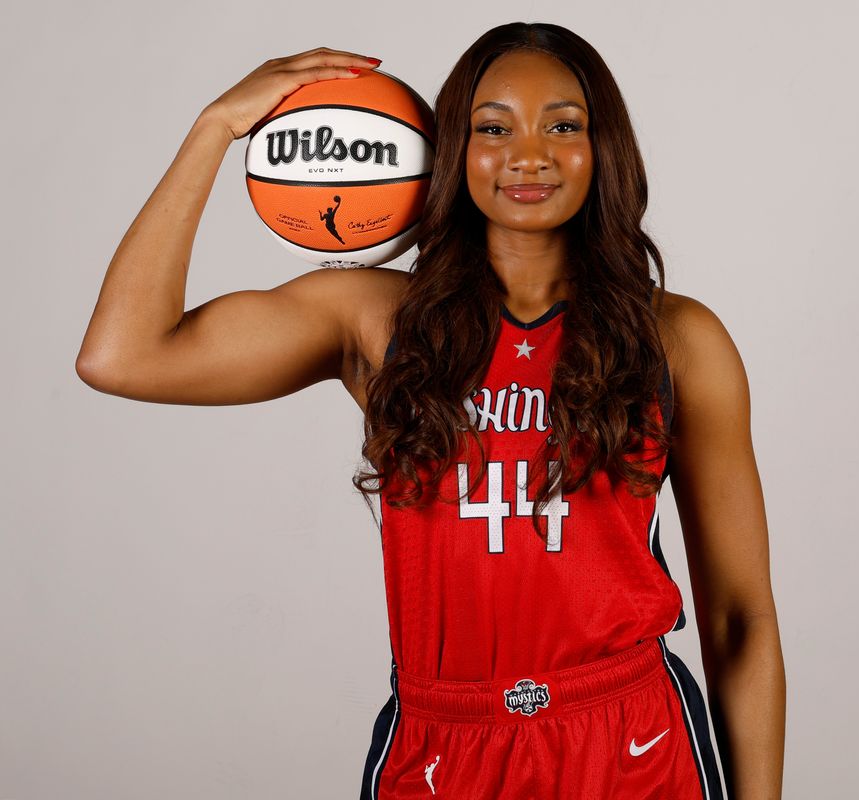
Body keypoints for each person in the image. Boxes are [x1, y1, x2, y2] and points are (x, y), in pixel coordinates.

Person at [77, 22, 785, 800]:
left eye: (563, 125)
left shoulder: (676, 337)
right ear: (451, 147)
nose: (528, 154)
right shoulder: (375, 320)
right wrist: (215, 127)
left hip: (632, 739)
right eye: (492, 127)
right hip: (444, 747)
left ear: (603, 148)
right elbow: (122, 355)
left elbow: (740, 620)